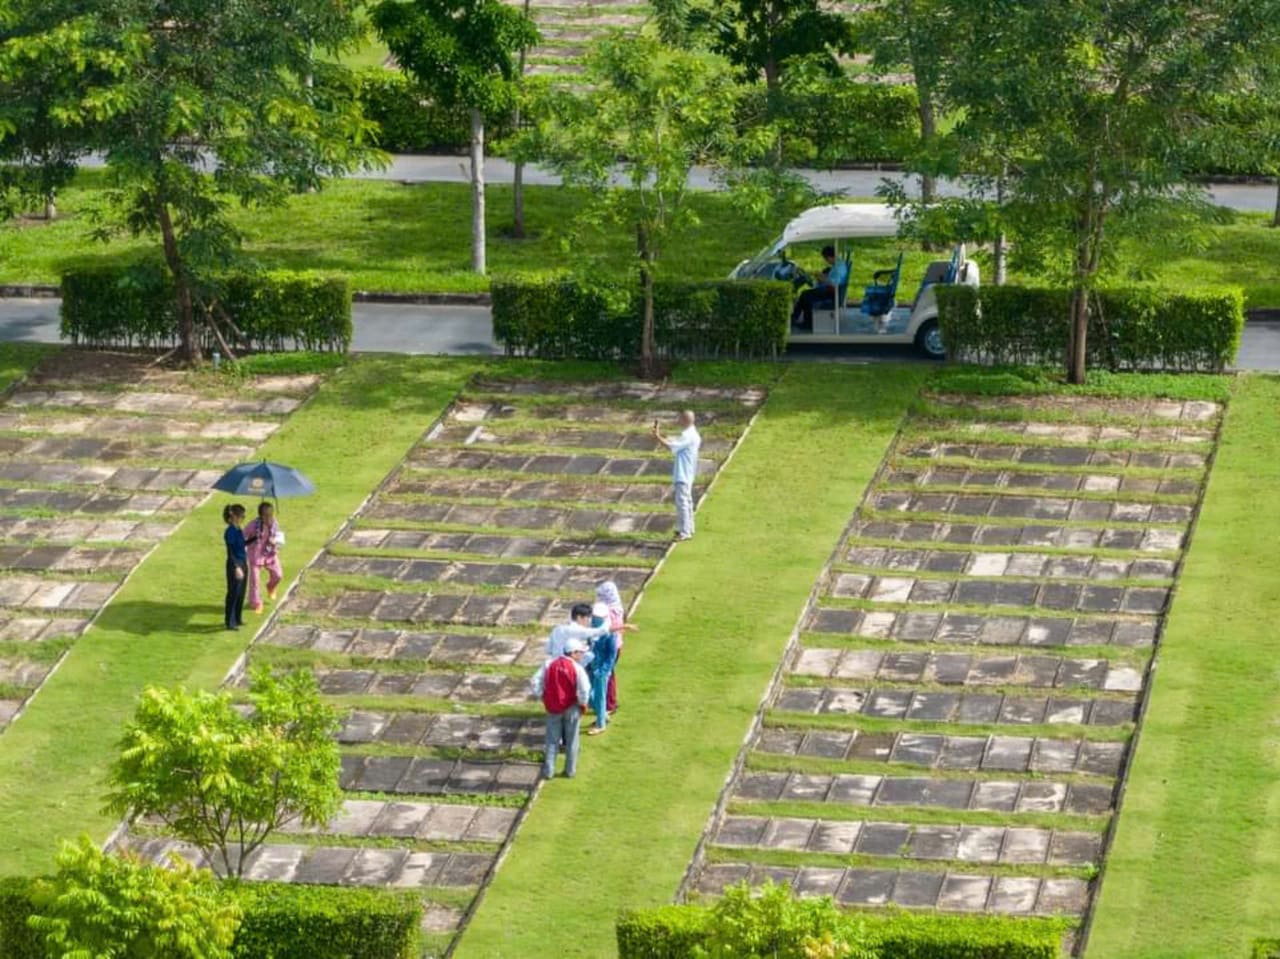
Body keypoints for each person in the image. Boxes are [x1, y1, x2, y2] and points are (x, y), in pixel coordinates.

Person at [531, 636, 592, 779]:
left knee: (552, 740)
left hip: (553, 707)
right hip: (572, 707)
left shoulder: (549, 664)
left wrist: (542, 695)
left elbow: (535, 681)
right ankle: (570, 771)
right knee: (572, 741)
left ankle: (549, 771)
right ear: (573, 653)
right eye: (580, 652)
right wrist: (583, 703)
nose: (582, 655)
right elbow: (584, 689)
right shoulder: (577, 668)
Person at [653, 411, 701, 541]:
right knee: (686, 502)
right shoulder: (691, 434)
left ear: (685, 420)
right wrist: (661, 435)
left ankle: (685, 532)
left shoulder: (688, 436)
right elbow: (675, 440)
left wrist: (658, 437)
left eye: (680, 418)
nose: (678, 420)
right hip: (687, 473)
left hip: (683, 473)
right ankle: (687, 529)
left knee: (683, 503)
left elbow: (671, 445)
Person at [791, 245, 849, 332]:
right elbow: (832, 277)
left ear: (829, 257)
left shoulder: (839, 267)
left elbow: (834, 283)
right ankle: (796, 318)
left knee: (805, 296)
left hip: (832, 293)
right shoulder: (838, 264)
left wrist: (822, 279)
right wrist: (821, 275)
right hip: (832, 290)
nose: (826, 261)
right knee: (806, 294)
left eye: (826, 259)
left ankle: (806, 323)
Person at [245, 501, 285, 614]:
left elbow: (280, 538)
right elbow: (243, 537)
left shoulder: (274, 524)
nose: (269, 518)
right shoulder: (252, 525)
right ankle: (256, 603)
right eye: (266, 515)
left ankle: (270, 586)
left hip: (270, 554)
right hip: (256, 556)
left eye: (270, 514)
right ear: (260, 515)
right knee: (255, 581)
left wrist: (275, 541)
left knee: (278, 575)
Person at [596, 580, 627, 716]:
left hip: (608, 646)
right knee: (609, 673)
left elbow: (606, 628)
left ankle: (609, 703)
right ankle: (610, 701)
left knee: (606, 674)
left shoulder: (607, 612)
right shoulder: (618, 608)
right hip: (617, 645)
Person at [222, 503, 249, 631]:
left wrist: (255, 538)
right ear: (234, 516)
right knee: (233, 593)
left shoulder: (238, 530)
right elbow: (231, 551)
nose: (242, 518)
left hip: (243, 562)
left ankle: (237, 618)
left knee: (241, 593)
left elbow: (242, 544)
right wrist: (237, 567)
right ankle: (230, 621)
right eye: (241, 516)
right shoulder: (230, 532)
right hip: (235, 564)